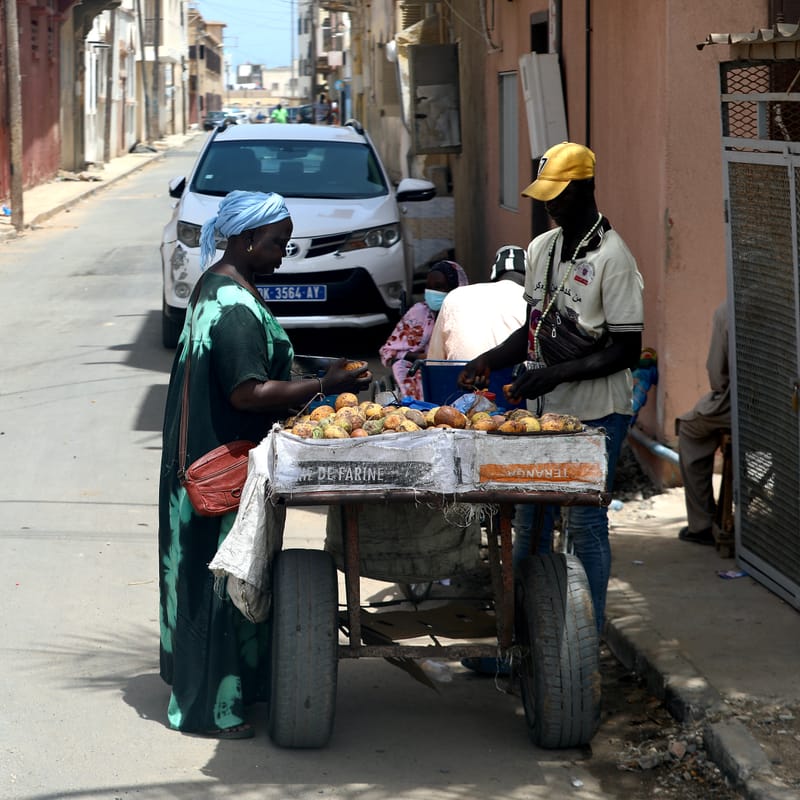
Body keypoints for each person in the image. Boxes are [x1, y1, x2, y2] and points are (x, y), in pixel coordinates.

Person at [158, 190, 369, 739]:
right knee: (222, 583)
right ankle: (209, 711)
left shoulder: (224, 286)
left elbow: (264, 361)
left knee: (229, 578)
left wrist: (316, 367)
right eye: (278, 243)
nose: (284, 253)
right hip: (216, 470)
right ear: (248, 239)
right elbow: (247, 392)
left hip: (208, 460)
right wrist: (325, 385)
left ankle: (240, 688)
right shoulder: (231, 306)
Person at [459, 141, 644, 632]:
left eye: (558, 194)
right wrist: (490, 359)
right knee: (530, 519)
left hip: (597, 412)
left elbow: (625, 350)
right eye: (544, 195)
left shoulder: (614, 259)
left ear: (585, 189)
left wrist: (553, 373)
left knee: (584, 522)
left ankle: (585, 640)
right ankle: (522, 634)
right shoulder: (542, 248)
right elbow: (533, 329)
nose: (549, 205)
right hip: (543, 411)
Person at [675, 301, 730, 545]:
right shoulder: (788, 298)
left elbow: (717, 374)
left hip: (747, 404)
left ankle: (701, 524)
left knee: (689, 427)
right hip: (786, 404)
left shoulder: (729, 309)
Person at [379, 260, 468, 400]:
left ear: (455, 288)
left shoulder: (467, 315)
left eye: (439, 287)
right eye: (428, 287)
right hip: (423, 369)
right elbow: (389, 352)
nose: (432, 292)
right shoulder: (419, 313)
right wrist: (422, 358)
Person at [427, 245, 528, 361]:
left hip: (460, 376)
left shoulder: (456, 296)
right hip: (514, 376)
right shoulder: (533, 302)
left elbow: (435, 360)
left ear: (494, 275)